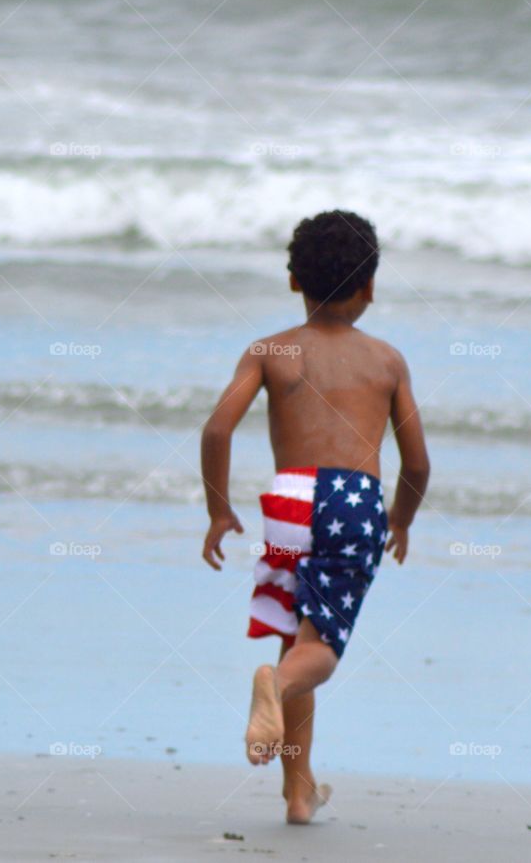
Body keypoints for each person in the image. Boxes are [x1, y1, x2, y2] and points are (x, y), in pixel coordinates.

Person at [200, 209, 431, 824]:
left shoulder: (270, 350)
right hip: (351, 502)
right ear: (370, 287)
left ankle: (298, 792)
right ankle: (273, 689)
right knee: (320, 647)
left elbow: (218, 427)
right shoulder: (386, 361)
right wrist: (400, 520)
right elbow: (418, 463)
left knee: (293, 637)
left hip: (288, 500)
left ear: (293, 280)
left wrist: (219, 511)